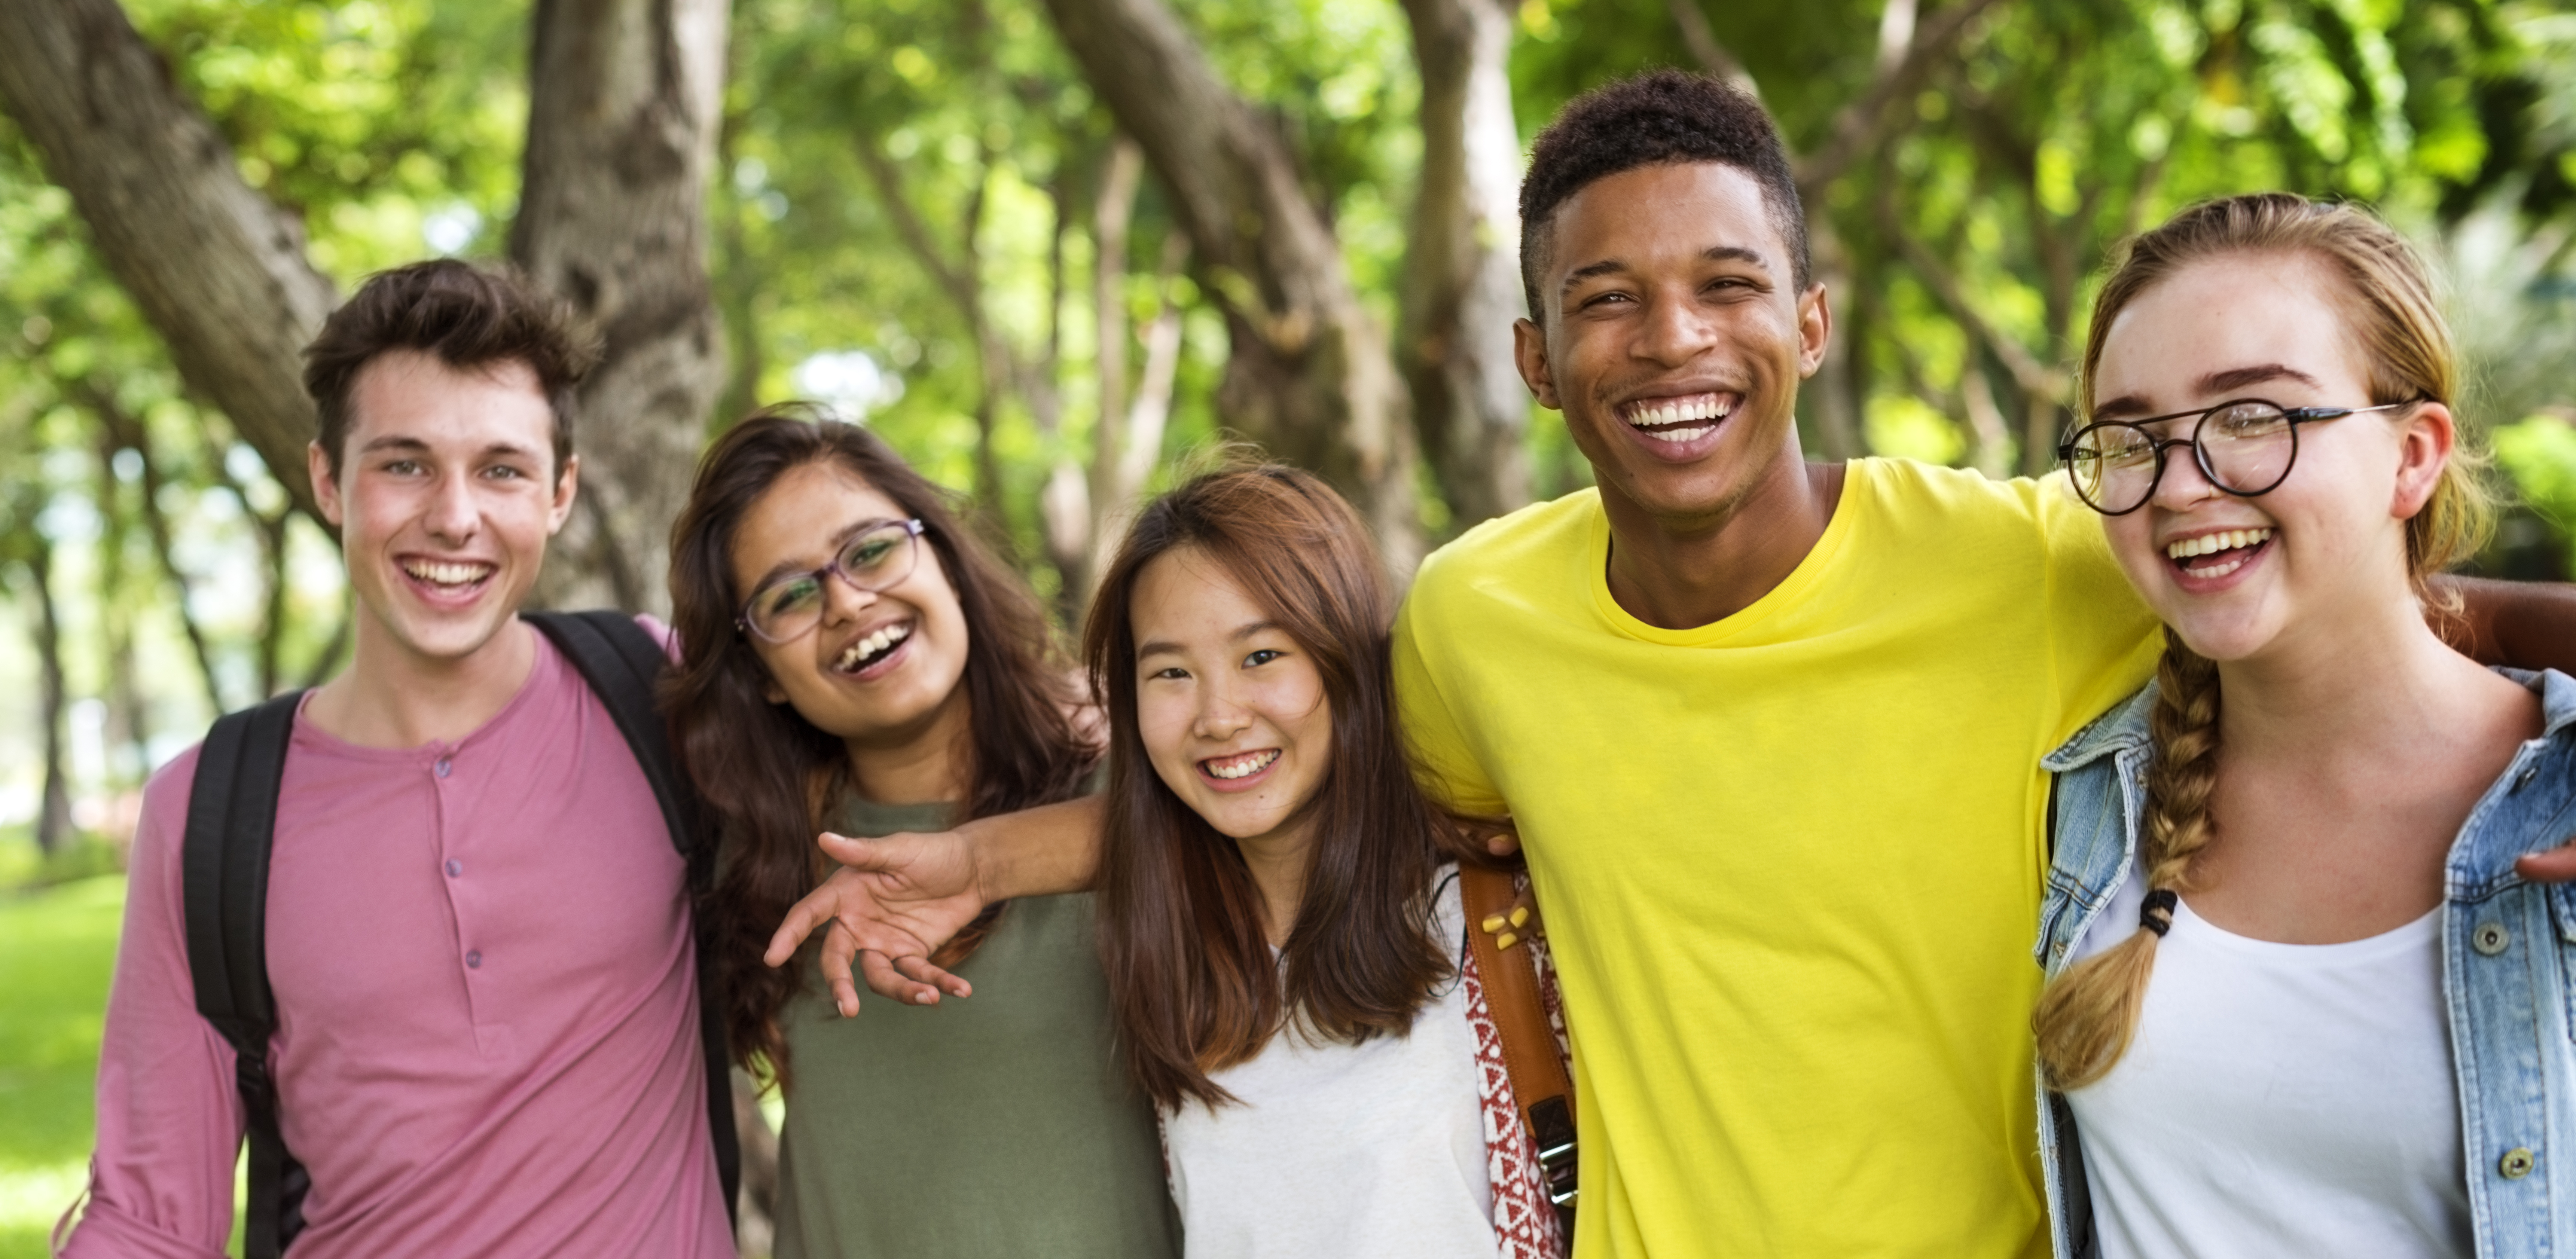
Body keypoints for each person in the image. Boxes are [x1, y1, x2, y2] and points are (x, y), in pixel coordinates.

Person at [765, 72, 2576, 1258]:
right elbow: (1276, 764)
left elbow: (2399, 602)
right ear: (1537, 362)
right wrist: (985, 857)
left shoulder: (2035, 554)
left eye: (1721, 284)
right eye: (1602, 302)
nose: (1668, 340)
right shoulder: (1480, 620)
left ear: (1804, 320)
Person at [61, 261, 735, 1258]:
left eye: (501, 468)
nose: (454, 517)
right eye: (405, 463)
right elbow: (152, 1218)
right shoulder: (208, 810)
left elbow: (919, 790)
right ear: (329, 480)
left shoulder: (659, 696)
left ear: (560, 492)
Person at [2027, 194, 2575, 1258]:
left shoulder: (2555, 810)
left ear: (2412, 455)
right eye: (2132, 436)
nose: (2182, 485)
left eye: (2252, 416)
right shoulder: (2088, 797)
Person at [660, 407, 1177, 1259]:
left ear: (942, 556)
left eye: (869, 551)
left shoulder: (1134, 785)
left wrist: (990, 860)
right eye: (789, 596)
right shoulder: (756, 874)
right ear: (764, 680)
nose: (848, 603)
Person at [1081, 465, 1565, 1259]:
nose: (1218, 716)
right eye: (1170, 672)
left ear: (1346, 656)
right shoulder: (1175, 965)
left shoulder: (1499, 923)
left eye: (1262, 655)